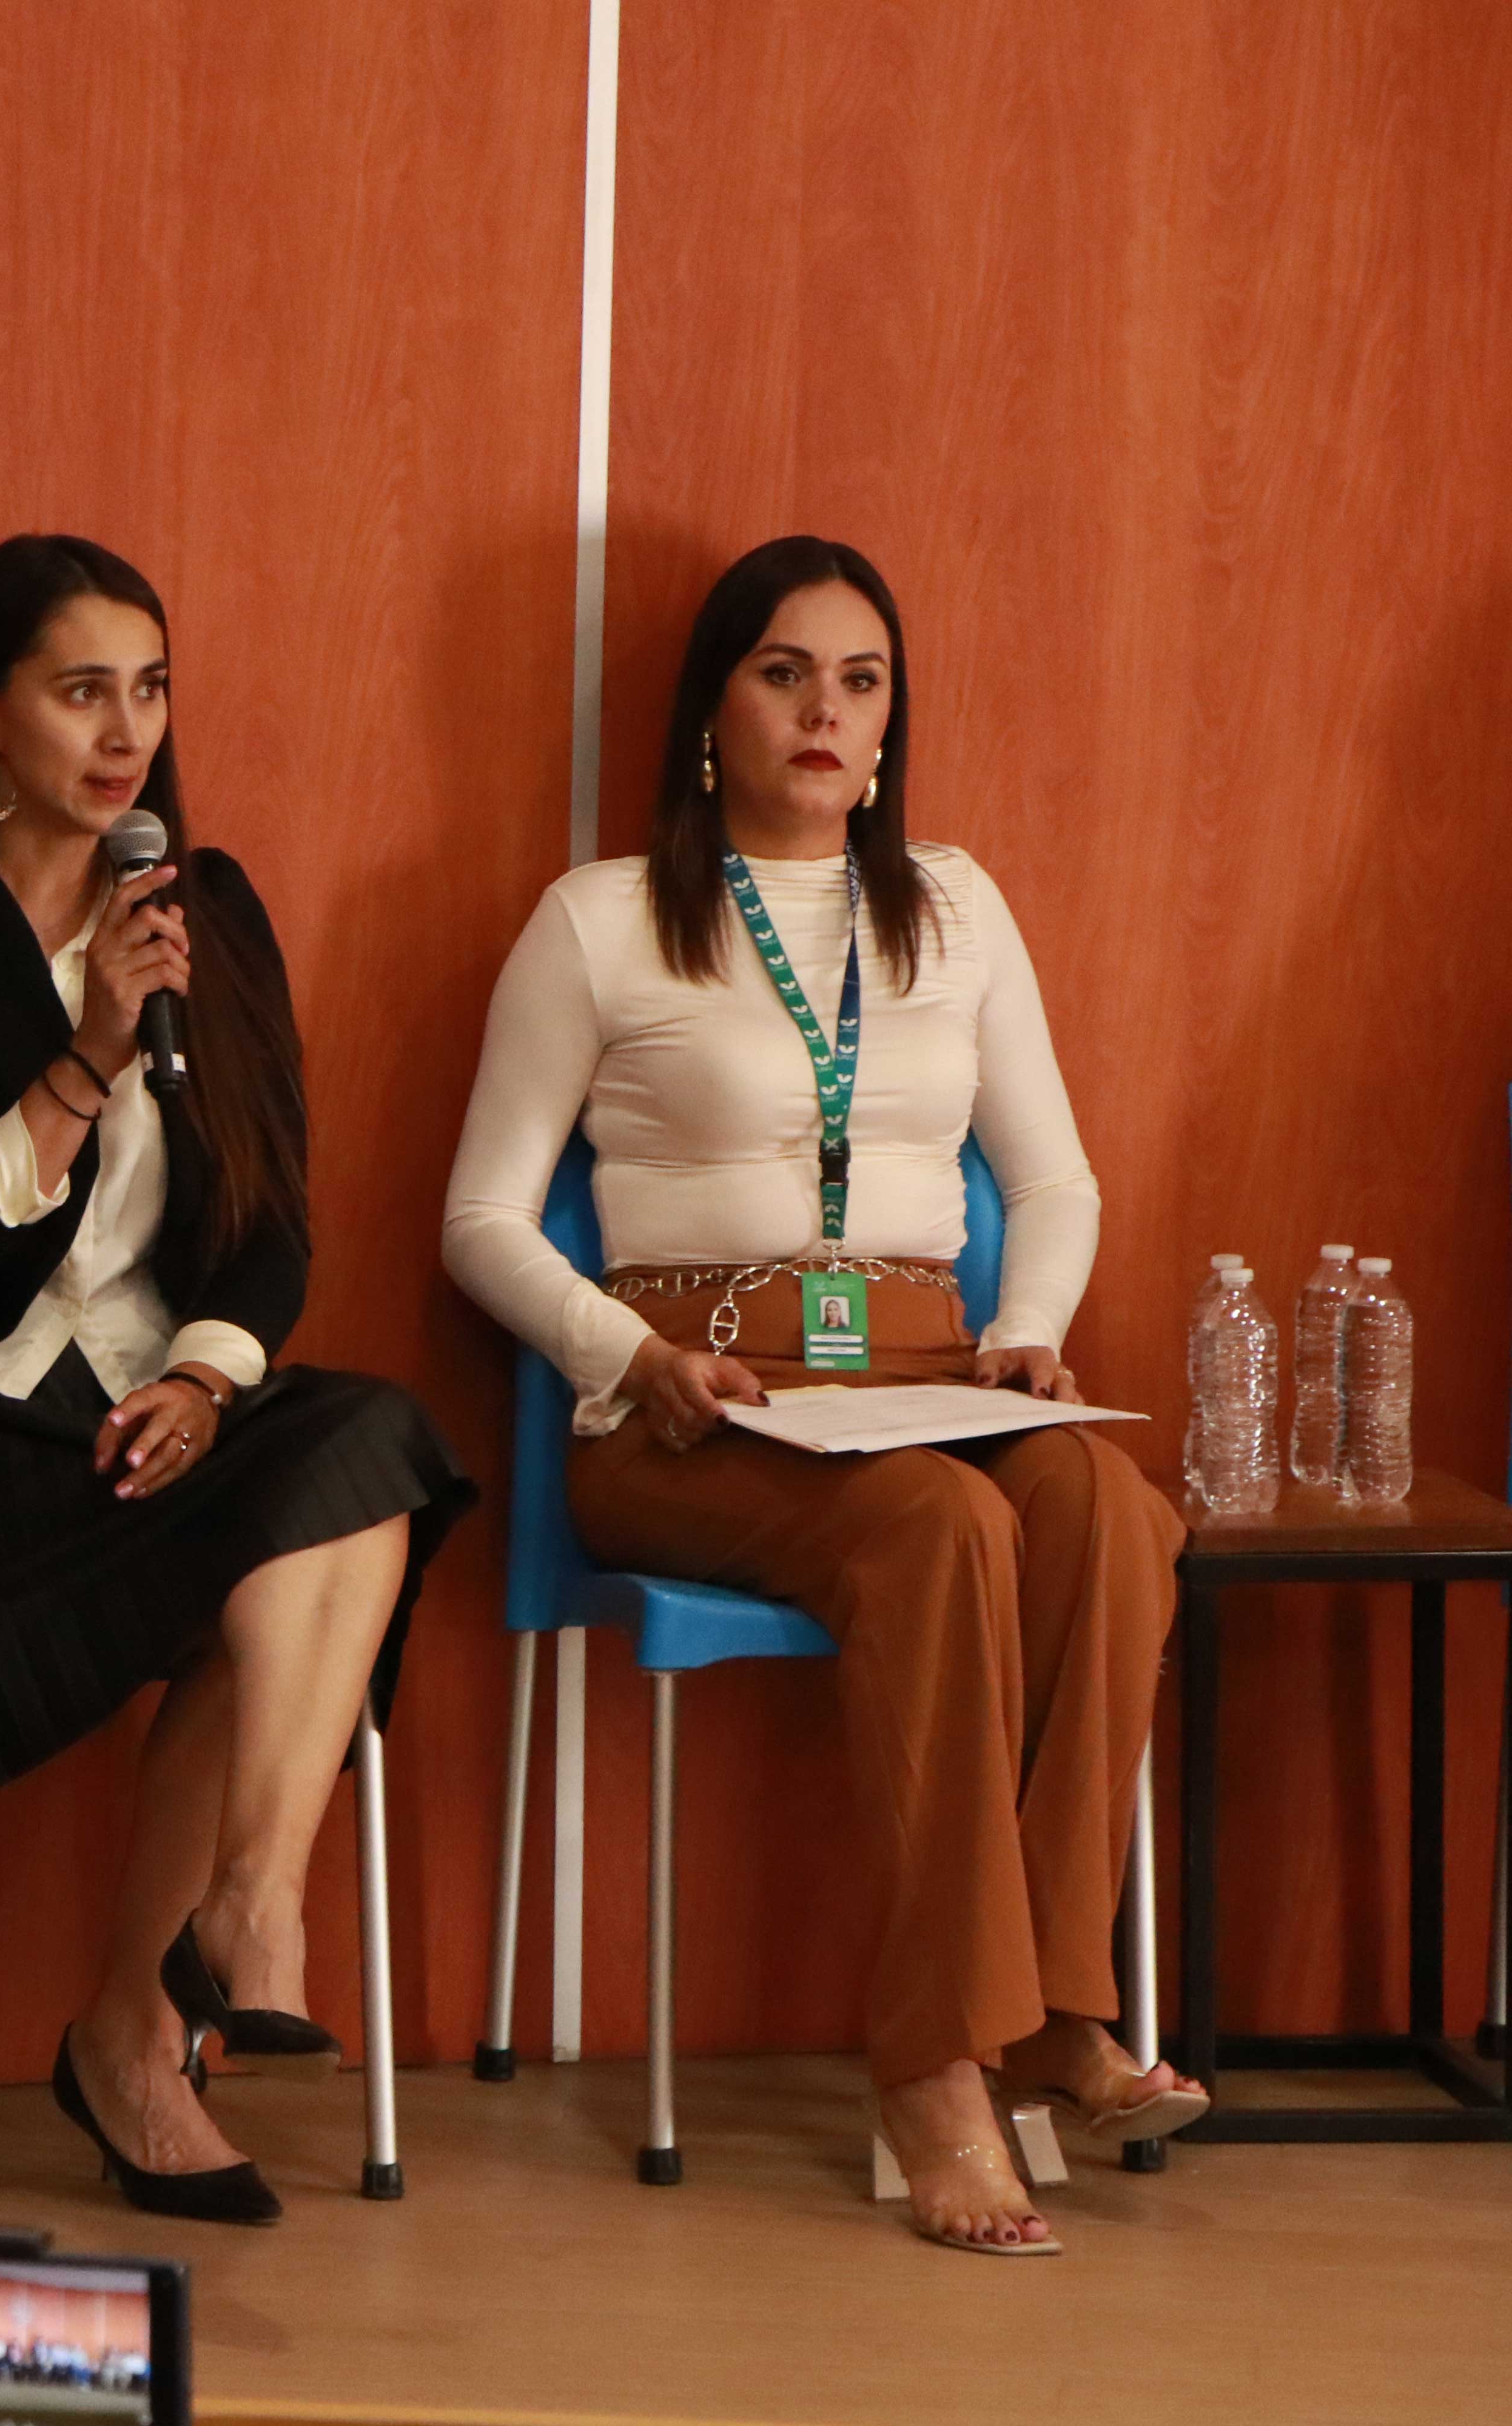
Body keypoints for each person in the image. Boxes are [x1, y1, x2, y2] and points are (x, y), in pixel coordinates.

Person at [441, 534, 1203, 2257]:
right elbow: (480, 1219)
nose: (826, 713)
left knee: (1108, 1507)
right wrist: (630, 1358)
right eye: (785, 673)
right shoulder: (602, 919)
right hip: (692, 1400)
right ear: (713, 710)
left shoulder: (957, 906)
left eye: (862, 682)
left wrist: (1030, 1328)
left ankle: (1060, 2009)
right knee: (937, 1529)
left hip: (933, 1374)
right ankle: (934, 2064)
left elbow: (1054, 1180)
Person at [0, 534, 472, 2224]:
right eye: (80, 692)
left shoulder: (208, 916)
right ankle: (165, 2005)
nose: (127, 733)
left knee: (360, 1447)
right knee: (289, 1538)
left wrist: (203, 1381)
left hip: (130, 1431)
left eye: (150, 689)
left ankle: (215, 1939)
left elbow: (268, 1223)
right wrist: (86, 1060)